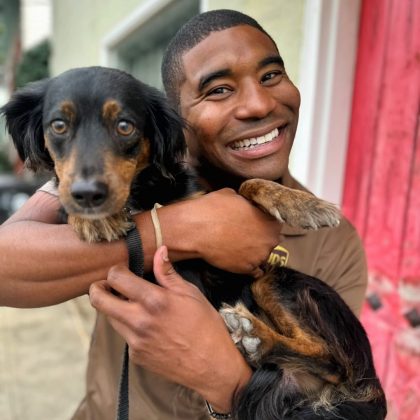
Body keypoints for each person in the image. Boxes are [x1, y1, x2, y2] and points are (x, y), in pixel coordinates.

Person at [0, 9, 368, 420]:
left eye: (270, 76)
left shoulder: (336, 244)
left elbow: (335, 392)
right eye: (219, 90)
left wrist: (224, 377)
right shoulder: (101, 185)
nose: (258, 104)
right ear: (179, 124)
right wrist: (181, 229)